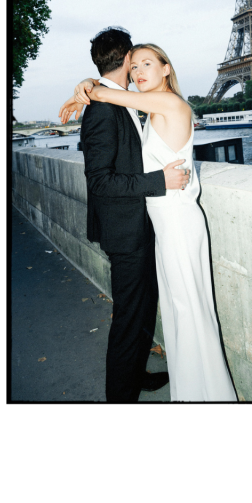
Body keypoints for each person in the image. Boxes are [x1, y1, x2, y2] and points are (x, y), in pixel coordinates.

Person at [60, 42, 238, 404]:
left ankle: (204, 393)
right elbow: (116, 102)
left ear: (166, 68)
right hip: (162, 227)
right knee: (179, 310)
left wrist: (89, 87)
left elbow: (115, 96)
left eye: (147, 64)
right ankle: (193, 389)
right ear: (125, 64)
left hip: (177, 224)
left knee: (188, 309)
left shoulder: (169, 103)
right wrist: (89, 86)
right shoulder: (149, 107)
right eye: (135, 65)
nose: (139, 72)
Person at [62, 27, 190, 402]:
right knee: (130, 317)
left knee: (141, 308)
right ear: (128, 56)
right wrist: (159, 181)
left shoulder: (117, 99)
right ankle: (121, 393)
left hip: (139, 225)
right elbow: (100, 183)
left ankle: (135, 375)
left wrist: (89, 83)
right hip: (125, 230)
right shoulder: (102, 110)